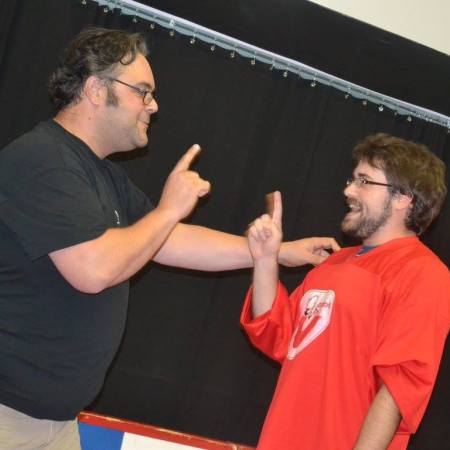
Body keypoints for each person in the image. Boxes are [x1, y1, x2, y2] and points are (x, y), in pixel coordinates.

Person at [0, 27, 339, 449]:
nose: (153, 106)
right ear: (95, 89)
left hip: (55, 422)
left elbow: (171, 241)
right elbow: (92, 270)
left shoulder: (103, 174)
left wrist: (271, 252)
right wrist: (167, 209)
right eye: (143, 92)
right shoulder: (42, 160)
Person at [241, 133, 449, 450]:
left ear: (403, 197)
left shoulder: (423, 272)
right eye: (352, 179)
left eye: (364, 181)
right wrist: (266, 259)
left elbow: (400, 385)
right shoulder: (334, 262)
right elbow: (277, 334)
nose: (348, 190)